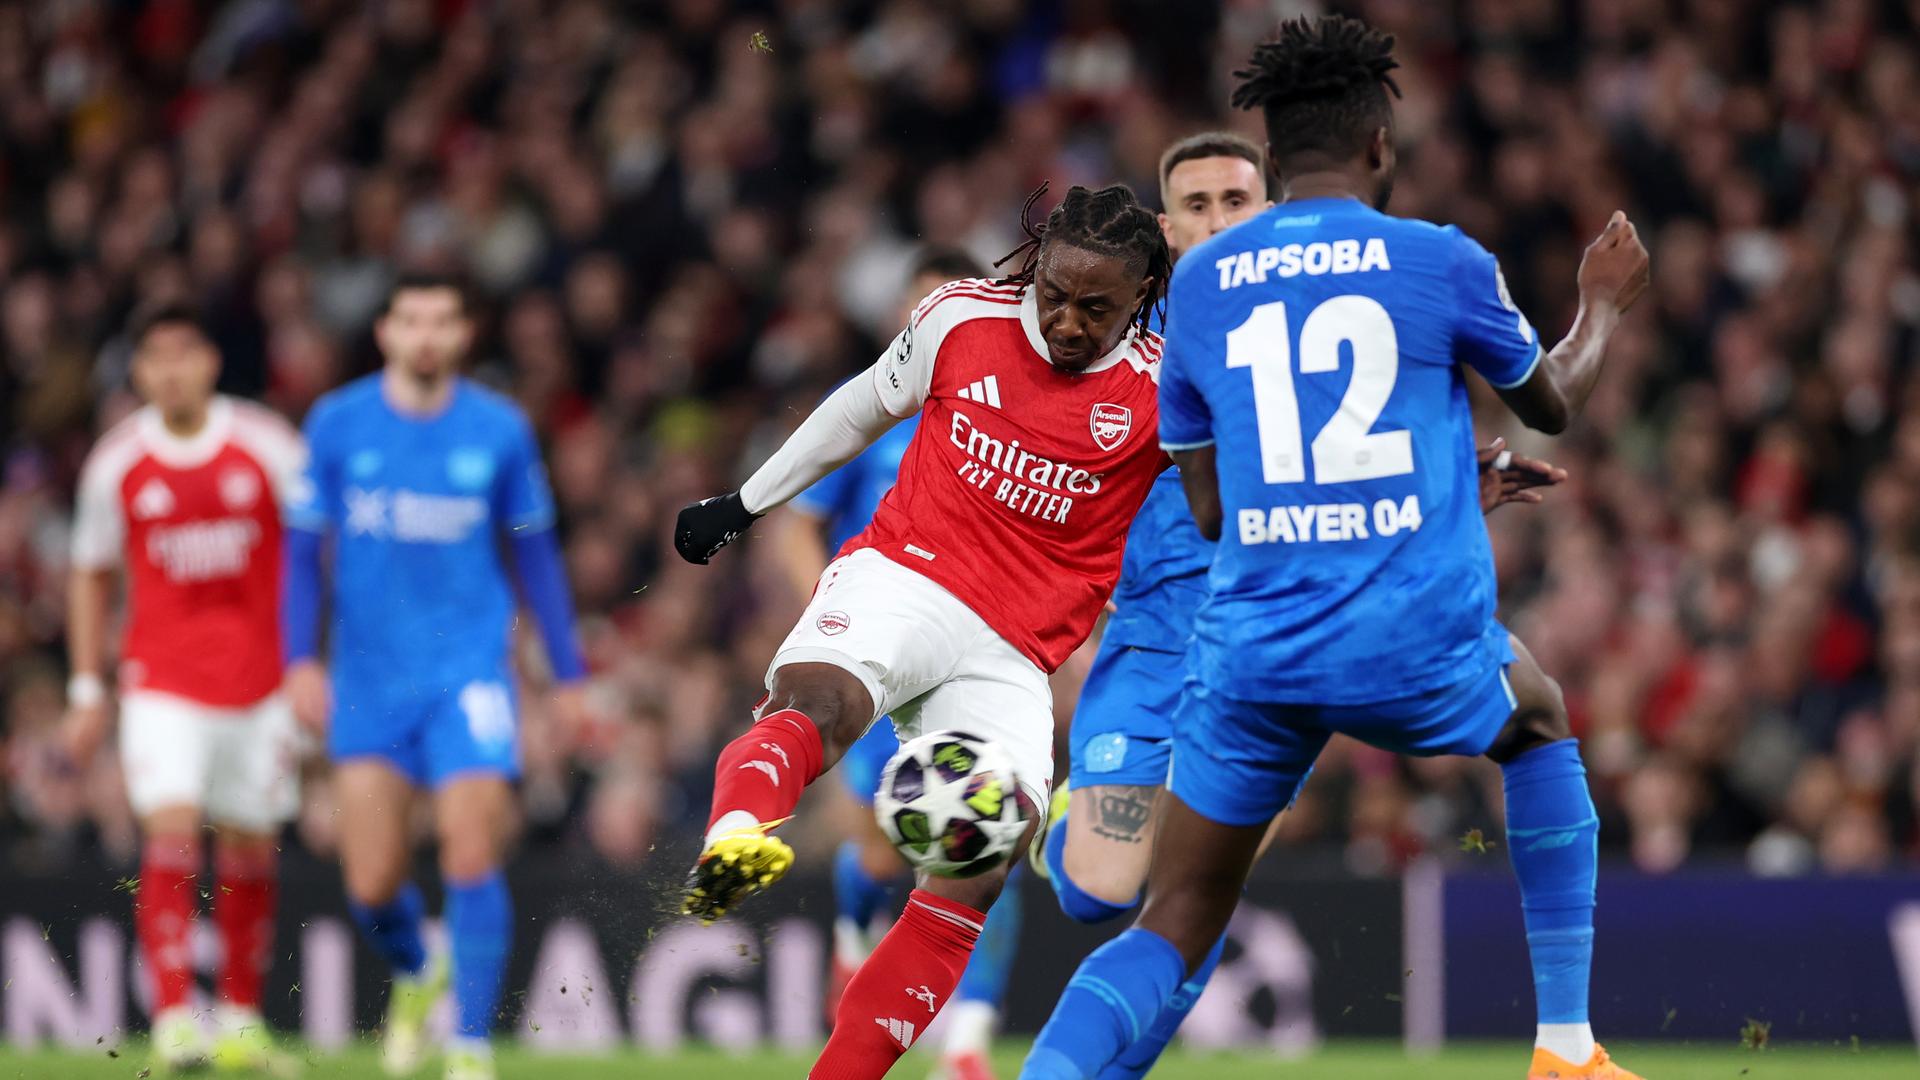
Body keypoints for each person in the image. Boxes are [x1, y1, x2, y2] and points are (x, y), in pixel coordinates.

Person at [1020, 16, 1650, 1080]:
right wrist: (1600, 309)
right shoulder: (1442, 258)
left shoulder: (1206, 293)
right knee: (1537, 722)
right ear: (1380, 149)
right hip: (1408, 639)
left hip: (1257, 653)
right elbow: (1550, 404)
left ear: (1269, 166)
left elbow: (1216, 511)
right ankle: (1566, 1051)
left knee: (1170, 917)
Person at [673, 183, 1172, 1079]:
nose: (1064, 321)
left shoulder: (1166, 389)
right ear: (1034, 267)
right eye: (1052, 293)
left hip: (1014, 652)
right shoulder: (958, 321)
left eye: (1094, 309)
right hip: (908, 576)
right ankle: (737, 831)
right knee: (819, 702)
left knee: (978, 870)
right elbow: (860, 408)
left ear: (1139, 297)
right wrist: (744, 503)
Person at [282, 274, 587, 1080]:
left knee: (470, 847)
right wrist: (297, 661)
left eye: (441, 320)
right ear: (384, 330)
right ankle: (421, 970)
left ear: (463, 334)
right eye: (410, 319)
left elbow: (537, 560)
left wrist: (570, 674)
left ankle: (470, 1048)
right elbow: (301, 560)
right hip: (368, 680)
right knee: (373, 881)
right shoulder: (338, 425)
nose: (425, 334)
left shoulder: (501, 431)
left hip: (468, 673)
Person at [767, 245, 1026, 1080]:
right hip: (882, 655)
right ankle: (853, 931)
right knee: (885, 853)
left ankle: (967, 1041)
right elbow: (797, 519)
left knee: (988, 830)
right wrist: (836, 619)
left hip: (978, 656)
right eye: (924, 305)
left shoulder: (1006, 412)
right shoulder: (878, 410)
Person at [64, 304, 306, 1075]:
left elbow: (315, 551)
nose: (171, 369)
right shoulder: (116, 462)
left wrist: (311, 659)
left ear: (209, 362)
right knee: (170, 831)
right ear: (138, 372)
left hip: (261, 684)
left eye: (184, 353)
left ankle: (239, 1020)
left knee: (247, 845)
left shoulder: (267, 445)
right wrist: (84, 687)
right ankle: (173, 1020)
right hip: (160, 681)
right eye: (155, 356)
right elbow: (89, 573)